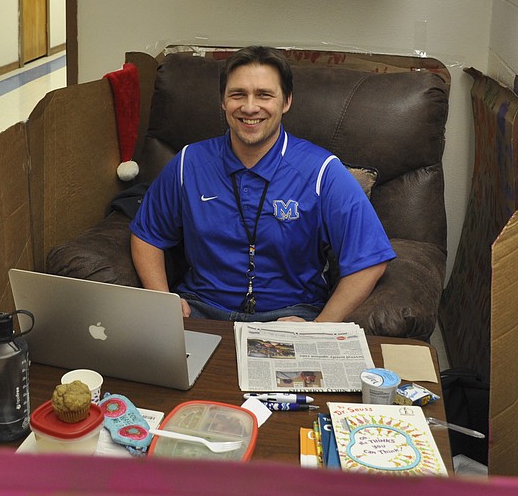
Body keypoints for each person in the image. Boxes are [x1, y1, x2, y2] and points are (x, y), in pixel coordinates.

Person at [130, 46, 393, 323]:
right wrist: (163, 299)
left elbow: (370, 260)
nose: (250, 107)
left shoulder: (322, 171)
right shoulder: (187, 163)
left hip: (290, 316)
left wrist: (319, 328)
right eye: (238, 94)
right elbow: (147, 235)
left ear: (286, 101)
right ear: (223, 101)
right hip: (201, 311)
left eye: (264, 95)